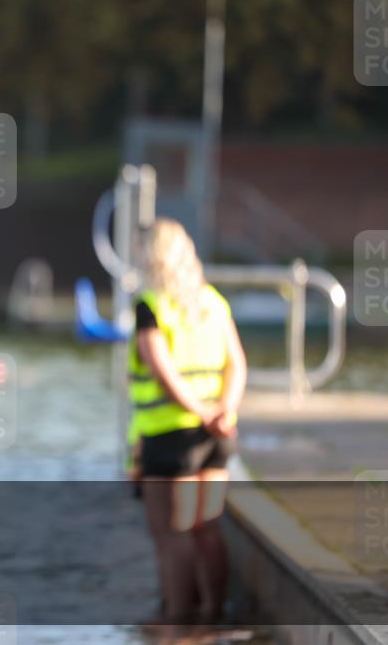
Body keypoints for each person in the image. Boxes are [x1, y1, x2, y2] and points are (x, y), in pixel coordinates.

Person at [127, 218, 247, 626]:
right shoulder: (213, 300)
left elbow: (163, 372)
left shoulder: (150, 304)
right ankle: (213, 614)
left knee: (172, 534)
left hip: (171, 437)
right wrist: (223, 411)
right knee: (206, 529)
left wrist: (200, 412)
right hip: (217, 436)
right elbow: (237, 363)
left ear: (152, 256)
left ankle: (177, 622)